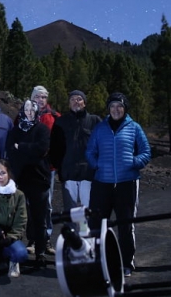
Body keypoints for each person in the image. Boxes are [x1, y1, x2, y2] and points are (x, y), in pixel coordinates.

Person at [85, 92, 151, 277]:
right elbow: (90, 151)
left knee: (126, 224)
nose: (116, 109)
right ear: (108, 109)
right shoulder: (100, 128)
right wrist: (96, 165)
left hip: (126, 183)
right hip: (102, 183)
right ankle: (100, 260)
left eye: (119, 106)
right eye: (112, 106)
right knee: (97, 224)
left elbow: (146, 151)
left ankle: (126, 262)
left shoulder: (134, 128)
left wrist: (134, 162)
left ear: (125, 108)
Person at [6, 99, 51, 266]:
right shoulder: (15, 130)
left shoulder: (42, 129)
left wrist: (21, 147)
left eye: (33, 109)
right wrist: (26, 149)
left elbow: (41, 149)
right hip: (19, 179)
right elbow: (10, 150)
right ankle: (14, 251)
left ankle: (40, 252)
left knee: (39, 218)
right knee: (17, 217)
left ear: (37, 111)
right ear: (22, 111)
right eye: (27, 109)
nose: (30, 112)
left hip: (39, 179)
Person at [49, 90, 101, 211]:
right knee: (71, 211)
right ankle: (73, 230)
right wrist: (58, 166)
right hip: (68, 173)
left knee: (87, 210)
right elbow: (55, 146)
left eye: (79, 99)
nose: (75, 102)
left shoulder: (95, 121)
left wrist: (97, 165)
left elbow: (102, 145)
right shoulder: (61, 122)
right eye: (72, 99)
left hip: (88, 173)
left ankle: (84, 230)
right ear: (69, 103)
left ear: (84, 103)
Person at [30, 85, 60, 255]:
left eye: (43, 97)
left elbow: (60, 143)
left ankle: (46, 238)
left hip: (47, 168)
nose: (40, 100)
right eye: (37, 97)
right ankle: (33, 239)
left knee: (46, 203)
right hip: (29, 168)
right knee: (29, 203)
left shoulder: (55, 117)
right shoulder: (24, 115)